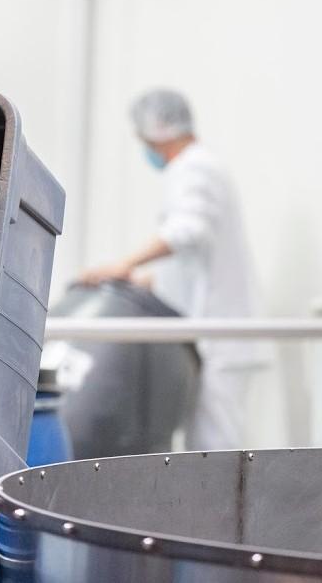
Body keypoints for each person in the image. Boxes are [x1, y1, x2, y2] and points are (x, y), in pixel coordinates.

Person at [80, 89, 258, 450]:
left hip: (219, 332)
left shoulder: (193, 166)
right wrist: (145, 279)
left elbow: (188, 231)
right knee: (205, 441)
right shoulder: (196, 167)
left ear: (158, 129)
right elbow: (191, 259)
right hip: (210, 330)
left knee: (214, 443)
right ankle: (215, 505)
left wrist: (124, 263)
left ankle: (224, 508)